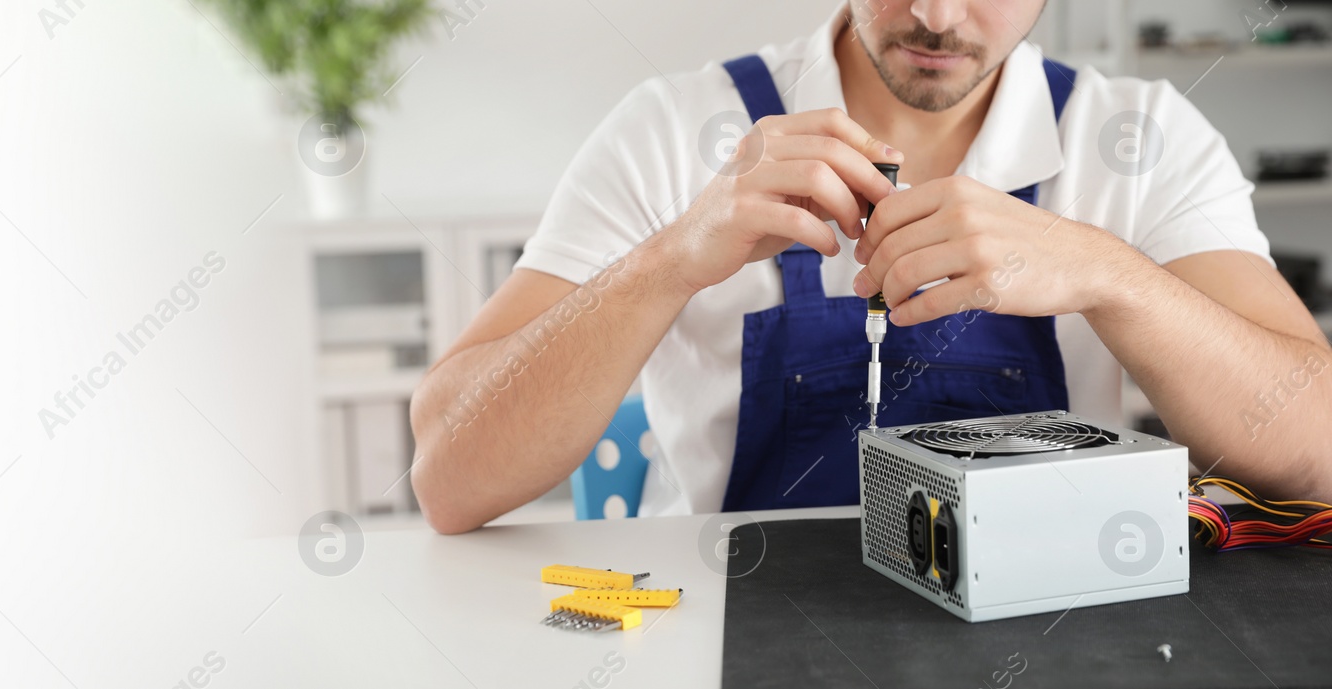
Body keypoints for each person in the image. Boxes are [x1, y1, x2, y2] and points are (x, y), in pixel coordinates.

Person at [409, 0, 1332, 533]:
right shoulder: (669, 130)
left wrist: (1107, 273)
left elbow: (1316, 452)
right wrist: (670, 260)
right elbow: (448, 475)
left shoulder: (1141, 138)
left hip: (1042, 633)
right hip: (723, 635)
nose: (936, 13)